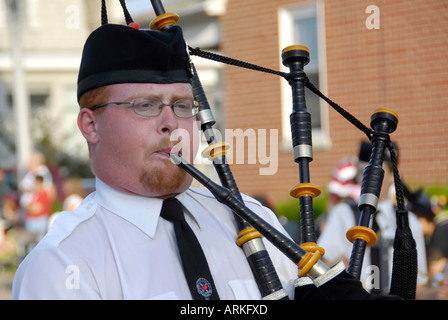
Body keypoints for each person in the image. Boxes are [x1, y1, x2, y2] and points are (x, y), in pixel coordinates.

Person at [11, 22, 300, 300]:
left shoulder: (253, 220)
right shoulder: (62, 265)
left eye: (182, 105)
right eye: (146, 105)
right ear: (91, 126)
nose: (171, 123)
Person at [317, 141, 428, 295]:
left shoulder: (408, 223)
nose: (368, 179)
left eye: (378, 172)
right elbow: (321, 267)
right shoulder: (342, 214)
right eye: (364, 172)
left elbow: (419, 286)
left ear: (393, 175)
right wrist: (333, 269)